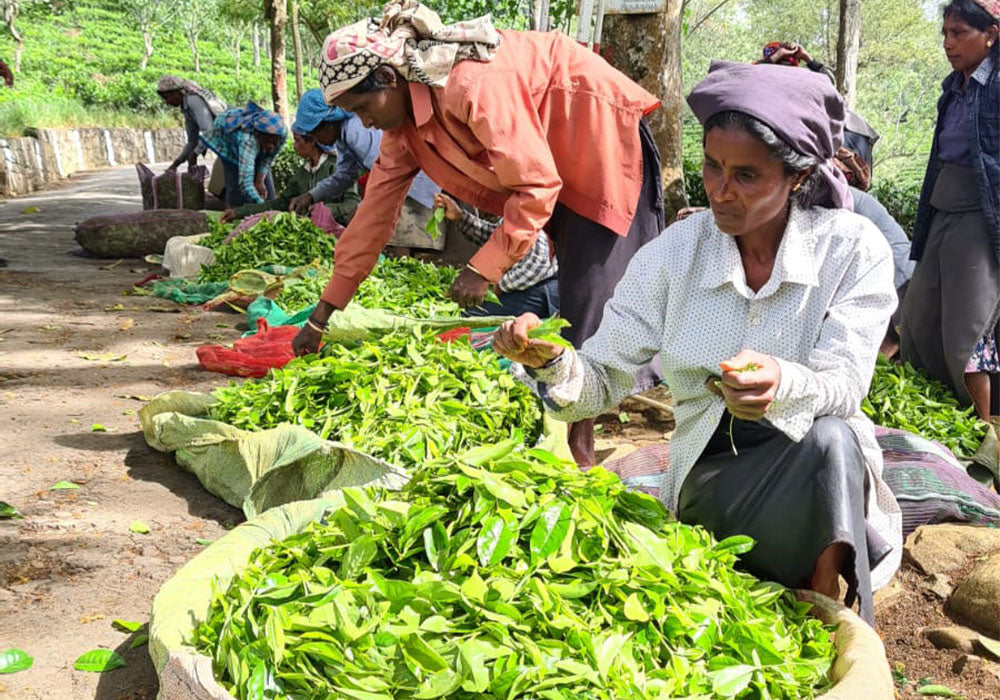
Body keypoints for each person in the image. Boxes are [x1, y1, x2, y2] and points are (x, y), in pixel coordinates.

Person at [493, 60, 902, 624]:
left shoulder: (852, 250)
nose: (720, 191)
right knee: (816, 456)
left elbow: (845, 383)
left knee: (832, 441)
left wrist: (782, 384)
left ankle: (827, 600)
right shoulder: (675, 253)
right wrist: (554, 364)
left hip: (815, 468)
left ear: (798, 178)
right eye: (712, 166)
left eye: (746, 176)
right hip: (712, 472)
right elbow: (603, 378)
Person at [292, 0, 666, 467]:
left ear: (390, 78)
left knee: (591, 292)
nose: (364, 122)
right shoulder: (403, 130)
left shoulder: (470, 84)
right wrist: (321, 316)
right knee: (579, 296)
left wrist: (482, 269)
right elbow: (372, 219)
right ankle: (577, 421)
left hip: (597, 137)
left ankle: (582, 442)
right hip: (550, 164)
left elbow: (535, 184)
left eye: (363, 107)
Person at [900, 0, 999, 422]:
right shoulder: (952, 89)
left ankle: (984, 431)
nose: (948, 43)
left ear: (991, 35)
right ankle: (937, 417)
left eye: (959, 33)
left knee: (967, 329)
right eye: (945, 33)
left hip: (982, 213)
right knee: (919, 319)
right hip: (942, 206)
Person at [286, 90, 440, 249]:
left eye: (314, 134)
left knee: (404, 246)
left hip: (414, 185)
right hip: (403, 185)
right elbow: (344, 177)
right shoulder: (343, 137)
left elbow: (389, 172)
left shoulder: (356, 131)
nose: (315, 140)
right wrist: (311, 196)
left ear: (329, 124)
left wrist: (365, 209)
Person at [220, 91, 360, 224]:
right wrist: (239, 212)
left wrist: (325, 211)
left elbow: (352, 204)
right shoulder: (302, 173)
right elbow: (280, 203)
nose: (294, 146)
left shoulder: (336, 167)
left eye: (297, 140)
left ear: (312, 140)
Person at [760, 41, 880, 188]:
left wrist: (776, 57)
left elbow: (747, 76)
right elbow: (828, 80)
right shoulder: (810, 80)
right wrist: (808, 58)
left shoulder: (769, 82)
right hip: (850, 140)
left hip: (837, 142)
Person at [433, 192, 559, 318]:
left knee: (469, 314)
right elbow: (495, 239)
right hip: (519, 284)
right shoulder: (511, 214)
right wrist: (459, 216)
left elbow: (538, 264)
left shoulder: (529, 216)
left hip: (539, 288)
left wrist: (496, 284)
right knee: (467, 305)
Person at [200, 102, 286, 208]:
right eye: (268, 141)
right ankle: (234, 212)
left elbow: (268, 158)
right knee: (235, 186)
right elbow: (245, 183)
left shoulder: (282, 133)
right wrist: (263, 206)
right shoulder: (247, 140)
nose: (271, 146)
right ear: (258, 135)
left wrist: (259, 181)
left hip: (254, 143)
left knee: (268, 191)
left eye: (274, 142)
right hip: (227, 140)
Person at [156, 75, 227, 172]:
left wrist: (194, 154)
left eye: (167, 97)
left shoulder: (193, 100)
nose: (166, 102)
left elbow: (209, 131)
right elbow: (192, 141)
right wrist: (176, 164)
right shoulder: (186, 108)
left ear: (177, 93)